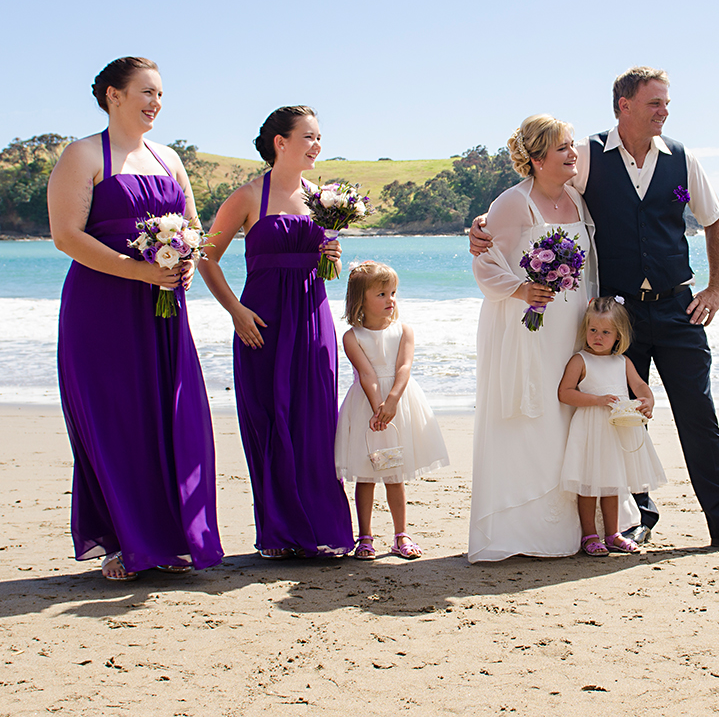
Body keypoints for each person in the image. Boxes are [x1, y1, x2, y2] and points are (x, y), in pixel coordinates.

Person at [472, 67, 719, 552]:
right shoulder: (589, 155)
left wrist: (716, 288)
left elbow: (715, 220)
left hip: (679, 308)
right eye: (655, 102)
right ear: (625, 106)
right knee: (618, 413)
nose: (665, 111)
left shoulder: (682, 159)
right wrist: (482, 225)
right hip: (614, 318)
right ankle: (638, 519)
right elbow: (541, 197)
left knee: (699, 415)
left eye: (666, 102)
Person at [47, 56, 223, 580]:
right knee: (118, 421)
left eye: (161, 95)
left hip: (164, 311)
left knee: (169, 417)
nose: (155, 103)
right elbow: (66, 236)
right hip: (101, 312)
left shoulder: (168, 158)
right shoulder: (83, 155)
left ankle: (173, 538)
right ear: (112, 95)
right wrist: (137, 271)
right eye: (146, 92)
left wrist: (186, 261)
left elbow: (193, 227)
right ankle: (124, 543)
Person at [198, 106, 353, 559]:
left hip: (311, 320)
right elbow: (207, 258)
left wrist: (332, 253)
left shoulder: (324, 199)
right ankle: (278, 536)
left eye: (320, 136)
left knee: (316, 423)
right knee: (269, 423)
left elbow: (331, 268)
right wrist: (236, 312)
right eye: (309, 136)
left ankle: (322, 532)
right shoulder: (246, 197)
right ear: (280, 142)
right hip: (260, 324)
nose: (317, 145)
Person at [469, 114, 603, 563]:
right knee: (532, 415)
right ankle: (522, 528)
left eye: (572, 146)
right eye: (563, 148)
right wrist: (522, 288)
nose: (573, 155)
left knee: (566, 415)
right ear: (537, 158)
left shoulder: (577, 201)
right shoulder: (512, 203)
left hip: (570, 326)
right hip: (526, 325)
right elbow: (487, 264)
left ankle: (577, 530)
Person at [335, 260, 449, 560]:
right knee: (366, 474)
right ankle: (365, 537)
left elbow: (404, 368)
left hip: (399, 403)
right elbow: (367, 375)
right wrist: (377, 409)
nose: (391, 300)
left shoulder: (403, 330)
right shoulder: (352, 337)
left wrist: (393, 402)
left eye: (393, 293)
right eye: (382, 294)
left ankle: (401, 535)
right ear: (361, 300)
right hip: (366, 406)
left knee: (394, 472)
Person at [558, 297, 667, 556]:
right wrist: (596, 400)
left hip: (615, 431)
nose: (598, 336)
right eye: (593, 330)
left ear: (618, 335)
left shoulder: (622, 362)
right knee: (587, 485)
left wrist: (647, 400)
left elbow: (639, 386)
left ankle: (613, 533)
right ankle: (589, 535)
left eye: (606, 332)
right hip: (590, 430)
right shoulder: (580, 360)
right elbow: (565, 393)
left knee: (612, 484)